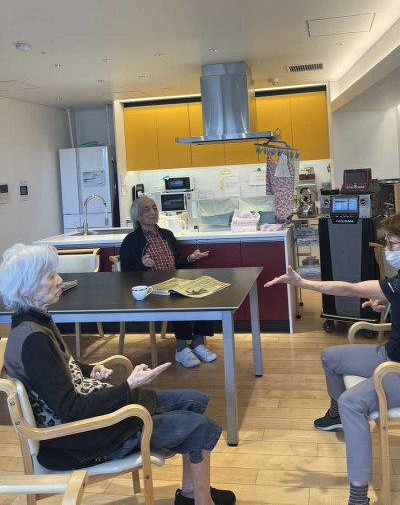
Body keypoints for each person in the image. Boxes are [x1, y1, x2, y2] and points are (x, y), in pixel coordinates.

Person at [0, 243, 235, 505]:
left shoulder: (34, 323)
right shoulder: (34, 341)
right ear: (25, 288)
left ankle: (191, 495)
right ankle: (201, 501)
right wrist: (128, 385)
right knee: (200, 426)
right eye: (50, 276)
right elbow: (71, 411)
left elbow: (59, 369)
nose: (60, 281)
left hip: (89, 420)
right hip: (80, 440)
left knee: (194, 401)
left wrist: (90, 369)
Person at [265, 211, 400, 505]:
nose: (387, 249)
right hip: (396, 354)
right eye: (387, 242)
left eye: (391, 244)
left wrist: (305, 284)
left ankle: (359, 497)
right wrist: (386, 304)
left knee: (353, 401)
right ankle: (336, 415)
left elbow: (350, 289)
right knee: (331, 357)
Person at [120, 196, 215, 368]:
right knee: (177, 297)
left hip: (173, 282)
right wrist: (142, 264)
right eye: (147, 210)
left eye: (154, 208)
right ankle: (181, 348)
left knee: (205, 292)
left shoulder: (167, 235)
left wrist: (190, 258)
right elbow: (126, 273)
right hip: (151, 289)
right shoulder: (131, 241)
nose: (153, 212)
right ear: (137, 217)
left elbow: (176, 263)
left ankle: (197, 342)